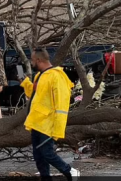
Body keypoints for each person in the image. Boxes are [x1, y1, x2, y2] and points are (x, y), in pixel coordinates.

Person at [20, 48, 79, 181]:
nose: (31, 62)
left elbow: (61, 105)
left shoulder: (56, 76)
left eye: (32, 60)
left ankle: (69, 171)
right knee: (38, 155)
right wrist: (25, 84)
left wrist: (57, 129)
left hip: (48, 123)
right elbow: (35, 95)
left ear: (39, 60)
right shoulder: (39, 75)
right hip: (37, 121)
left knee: (47, 153)